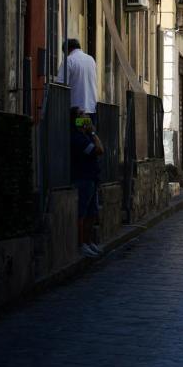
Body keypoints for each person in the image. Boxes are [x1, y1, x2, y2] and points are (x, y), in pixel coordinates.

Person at [70, 107, 104, 258]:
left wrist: (91, 133)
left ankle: (89, 242)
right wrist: (92, 132)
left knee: (92, 213)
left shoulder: (86, 136)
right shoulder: (78, 138)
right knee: (82, 213)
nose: (85, 116)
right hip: (83, 178)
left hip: (92, 179)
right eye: (81, 115)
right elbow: (99, 150)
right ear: (77, 120)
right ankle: (81, 244)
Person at [58, 39, 98, 122]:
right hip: (91, 108)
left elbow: (60, 84)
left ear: (68, 50)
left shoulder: (69, 60)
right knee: (88, 133)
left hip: (77, 111)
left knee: (77, 133)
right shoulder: (91, 60)